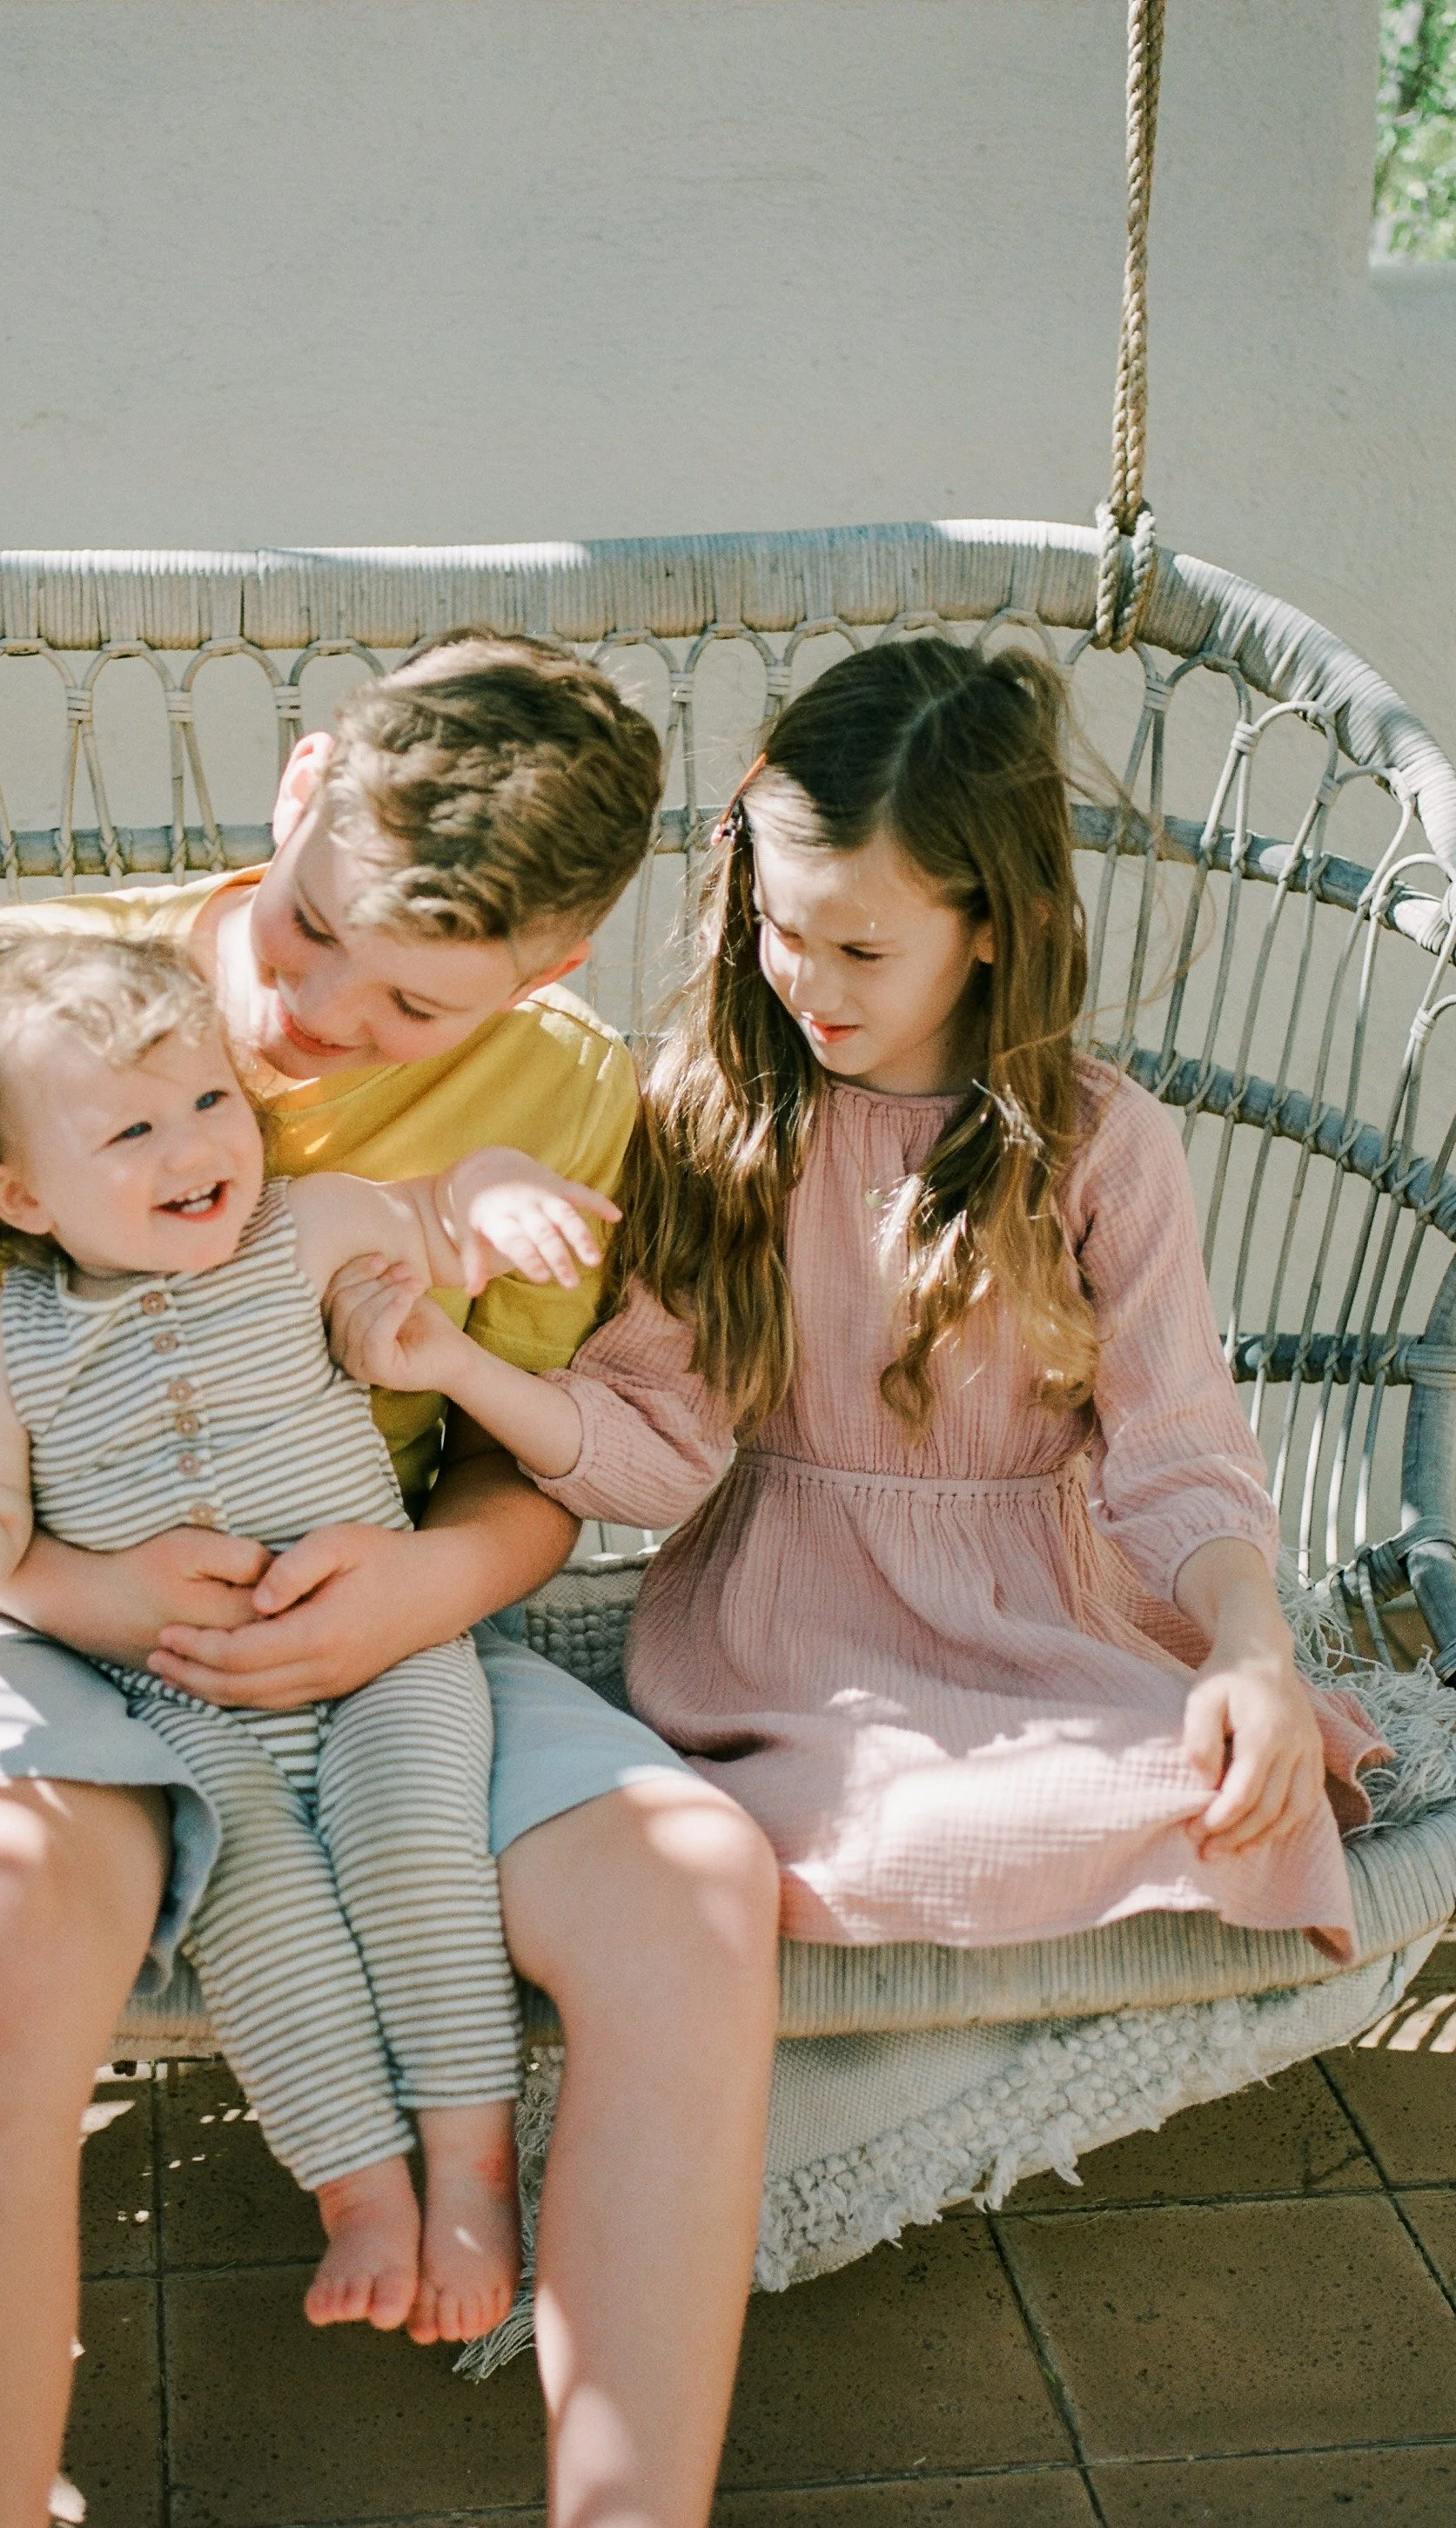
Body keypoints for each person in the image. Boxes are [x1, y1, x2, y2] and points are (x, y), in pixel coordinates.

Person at [0, 635, 782, 2528]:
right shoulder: (20, 1010)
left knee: (696, 1891)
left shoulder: (554, 1096)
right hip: (36, 1603)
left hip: (376, 1619)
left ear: (543, 973)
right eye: (306, 930)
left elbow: (515, 1459)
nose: (310, 1016)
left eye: (405, 1005)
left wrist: (421, 1596)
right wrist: (70, 1584)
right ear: (300, 783)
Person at [334, 636, 1387, 1966]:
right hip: (786, 1648)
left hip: (1043, 1631)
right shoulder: (716, 1115)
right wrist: (455, 1364)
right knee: (805, 1842)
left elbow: (1177, 1444)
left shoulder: (1099, 1143)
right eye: (781, 928)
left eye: (864, 949)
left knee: (1216, 1791)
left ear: (993, 924)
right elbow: (658, 1445)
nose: (810, 985)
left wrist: (1249, 1641)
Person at [0, 924, 621, 2342]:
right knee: (254, 1899)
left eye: (209, 1102)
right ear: (19, 1192)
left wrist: (496, 1196)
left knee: (405, 1849)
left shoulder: (303, 1228)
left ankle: (470, 2171)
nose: (196, 1144)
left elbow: (439, 1216)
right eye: (129, 1128)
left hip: (388, 1665)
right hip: (189, 1707)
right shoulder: (0, 1349)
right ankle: (360, 2190)